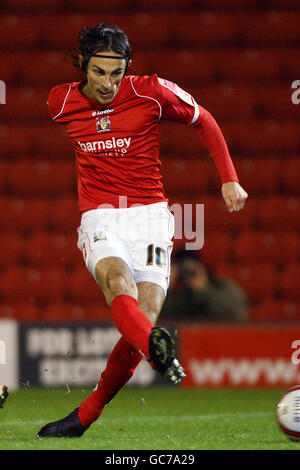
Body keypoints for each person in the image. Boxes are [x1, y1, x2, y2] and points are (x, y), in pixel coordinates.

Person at [37, 23, 248, 438]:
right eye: (99, 72)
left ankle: (86, 414)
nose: (108, 83)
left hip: (150, 216)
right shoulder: (59, 101)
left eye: (116, 73)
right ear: (83, 65)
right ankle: (157, 351)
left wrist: (229, 177)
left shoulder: (151, 91)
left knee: (145, 317)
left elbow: (202, 118)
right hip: (100, 216)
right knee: (119, 284)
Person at [161, 249, 249, 323]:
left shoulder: (223, 287)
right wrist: (165, 287)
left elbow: (237, 314)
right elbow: (159, 317)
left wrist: (203, 290)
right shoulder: (178, 295)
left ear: (202, 267)